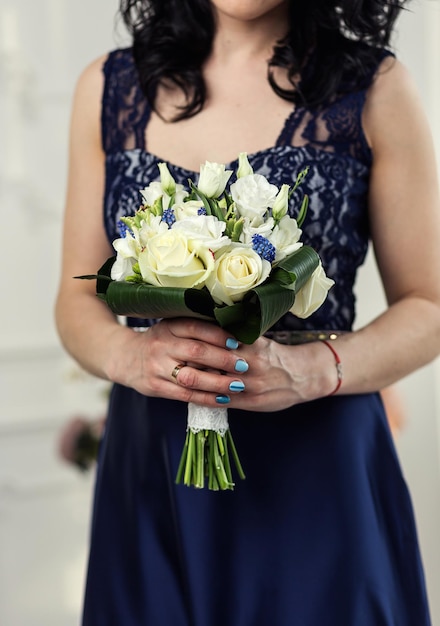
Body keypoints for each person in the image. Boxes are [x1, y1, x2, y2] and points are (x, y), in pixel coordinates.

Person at [55, 0, 440, 624]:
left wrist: (314, 369)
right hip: (153, 466)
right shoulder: (108, 86)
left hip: (318, 469)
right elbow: (77, 298)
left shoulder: (376, 86)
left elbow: (429, 305)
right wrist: (131, 354)